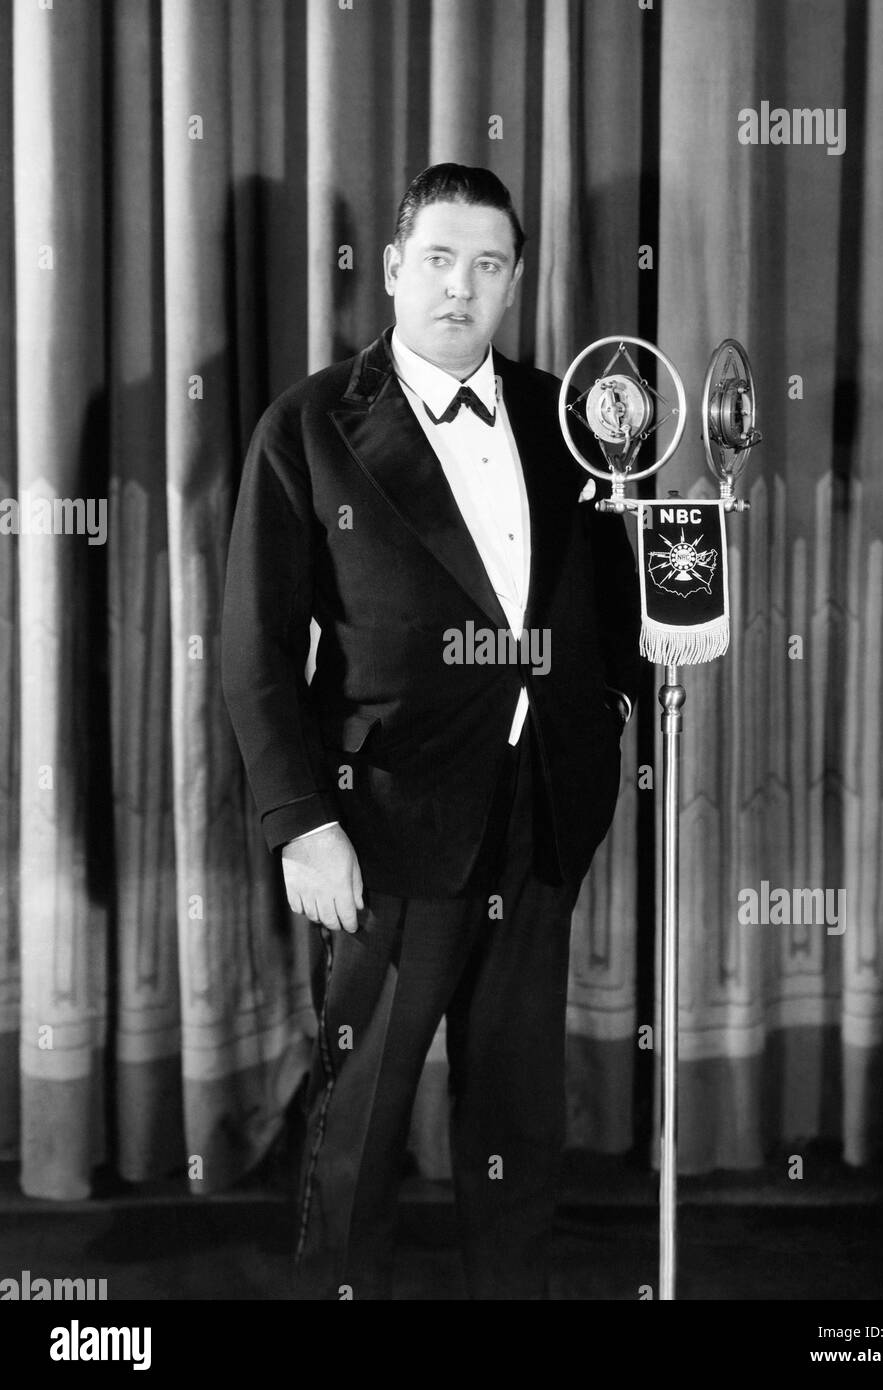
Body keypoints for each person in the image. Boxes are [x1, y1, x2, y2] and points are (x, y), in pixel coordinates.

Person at [221, 163, 641, 1300]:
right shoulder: (307, 424)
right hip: (383, 825)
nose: (462, 286)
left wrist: (657, 666)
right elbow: (253, 650)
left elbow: (612, 609)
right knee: (360, 1119)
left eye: (489, 265)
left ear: (513, 283)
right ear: (396, 269)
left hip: (539, 815)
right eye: (440, 259)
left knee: (516, 1118)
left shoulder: (572, 422)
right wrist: (301, 822)